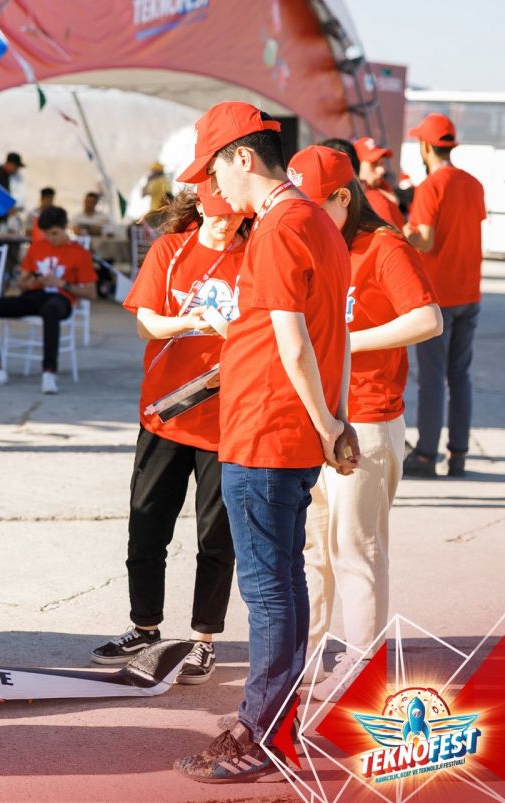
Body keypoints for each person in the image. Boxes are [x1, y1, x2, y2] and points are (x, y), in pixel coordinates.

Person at [173, 101, 356, 783]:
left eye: (215, 169)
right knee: (284, 581)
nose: (213, 185)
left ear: (243, 157)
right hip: (285, 427)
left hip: (265, 430)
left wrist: (330, 422)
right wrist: (334, 418)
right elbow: (332, 334)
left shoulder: (280, 226)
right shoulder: (317, 221)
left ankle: (259, 733)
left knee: (269, 589)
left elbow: (294, 339)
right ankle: (274, 721)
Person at [289, 145, 442, 702]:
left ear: (342, 197)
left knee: (356, 548)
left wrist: (347, 342)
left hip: (368, 417)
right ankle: (303, 659)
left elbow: (427, 319)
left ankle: (361, 664)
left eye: (313, 207)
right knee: (311, 550)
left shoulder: (382, 245)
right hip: (317, 415)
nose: (303, 218)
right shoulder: (311, 242)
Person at [88, 181, 248, 684]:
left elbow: (267, 330)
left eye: (234, 213)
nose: (225, 222)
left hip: (227, 418)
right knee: (147, 526)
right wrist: (191, 320)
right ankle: (144, 627)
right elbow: (146, 324)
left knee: (216, 536)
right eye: (216, 212)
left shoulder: (256, 255)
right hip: (166, 411)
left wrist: (227, 330)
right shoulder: (170, 251)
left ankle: (204, 641)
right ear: (199, 205)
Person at [401, 113, 487, 479]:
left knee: (433, 377)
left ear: (425, 146)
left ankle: (425, 455)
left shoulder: (430, 186)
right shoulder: (473, 184)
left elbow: (426, 241)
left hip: (438, 297)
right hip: (469, 293)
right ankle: (458, 454)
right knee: (460, 376)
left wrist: (403, 231)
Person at [0, 206, 96, 394]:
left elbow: (91, 293)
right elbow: (22, 283)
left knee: (50, 310)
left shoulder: (80, 252)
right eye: (46, 234)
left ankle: (49, 372)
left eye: (54, 233)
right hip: (34, 296)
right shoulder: (37, 247)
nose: (50, 238)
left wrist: (62, 283)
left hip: (62, 299)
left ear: (64, 228)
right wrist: (32, 282)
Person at [352, 137, 405, 230]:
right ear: (357, 165)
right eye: (374, 164)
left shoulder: (382, 187)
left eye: (382, 163)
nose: (382, 170)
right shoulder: (368, 197)